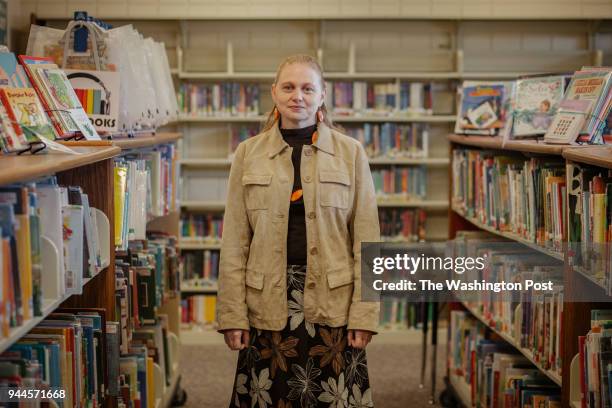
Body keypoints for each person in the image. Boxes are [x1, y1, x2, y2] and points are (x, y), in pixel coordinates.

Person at [217, 54, 380, 408]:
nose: (298, 96)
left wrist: (365, 313)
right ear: (274, 92)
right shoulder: (248, 153)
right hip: (267, 302)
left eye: (308, 88)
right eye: (289, 87)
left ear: (323, 95)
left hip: (331, 300)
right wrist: (232, 314)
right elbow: (234, 241)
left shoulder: (351, 154)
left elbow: (367, 240)